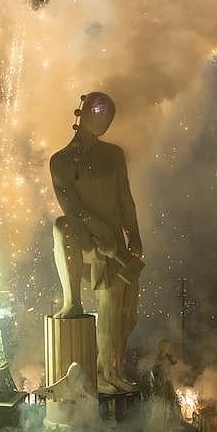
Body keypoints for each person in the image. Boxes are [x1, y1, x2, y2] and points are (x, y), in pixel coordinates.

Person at [50, 92, 143, 392]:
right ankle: (72, 301)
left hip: (112, 243)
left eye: (108, 113)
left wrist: (134, 236)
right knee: (60, 227)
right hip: (83, 236)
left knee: (113, 305)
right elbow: (71, 206)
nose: (104, 118)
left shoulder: (114, 155)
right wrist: (95, 231)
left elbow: (126, 200)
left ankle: (110, 370)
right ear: (83, 112)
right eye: (98, 110)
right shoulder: (61, 161)